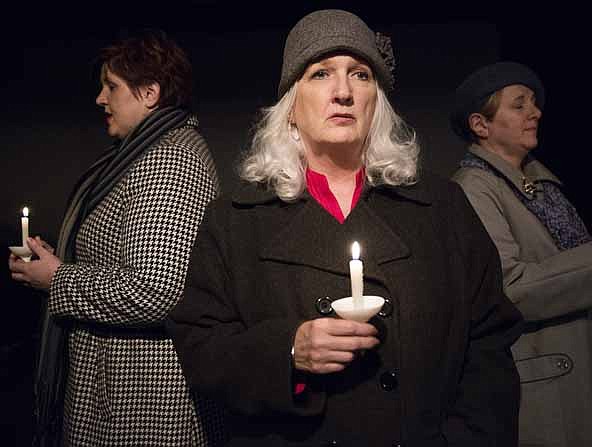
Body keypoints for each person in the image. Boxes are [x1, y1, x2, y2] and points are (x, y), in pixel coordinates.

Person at [167, 9, 524, 447]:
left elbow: (489, 347)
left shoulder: (442, 208)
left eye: (360, 74)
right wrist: (289, 351)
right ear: (290, 108)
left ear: (377, 102)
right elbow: (200, 347)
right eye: (320, 74)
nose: (343, 92)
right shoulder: (236, 218)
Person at [8, 30, 225, 445]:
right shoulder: (141, 156)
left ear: (149, 93)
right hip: (119, 391)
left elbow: (157, 289)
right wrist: (58, 264)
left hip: (145, 405)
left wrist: (58, 279)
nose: (100, 99)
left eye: (111, 87)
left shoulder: (171, 160)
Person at [450, 61, 592, 447]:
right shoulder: (474, 190)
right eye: (519, 104)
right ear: (481, 125)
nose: (536, 112)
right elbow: (509, 289)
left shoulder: (540, 184)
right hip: (549, 379)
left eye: (534, 103)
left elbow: (575, 266)